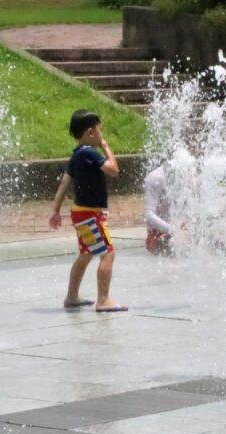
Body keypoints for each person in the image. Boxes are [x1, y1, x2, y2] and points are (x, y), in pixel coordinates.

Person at [49, 110, 127, 312]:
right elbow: (114, 170)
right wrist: (106, 147)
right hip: (90, 214)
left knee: (86, 254)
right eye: (100, 130)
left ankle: (72, 297)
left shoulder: (76, 155)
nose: (102, 135)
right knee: (108, 254)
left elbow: (64, 183)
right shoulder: (90, 153)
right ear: (91, 132)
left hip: (79, 212)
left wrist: (55, 210)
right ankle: (103, 300)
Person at [142, 163, 176, 256]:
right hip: (159, 235)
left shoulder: (190, 173)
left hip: (184, 230)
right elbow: (148, 215)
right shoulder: (156, 178)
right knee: (177, 244)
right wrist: (174, 230)